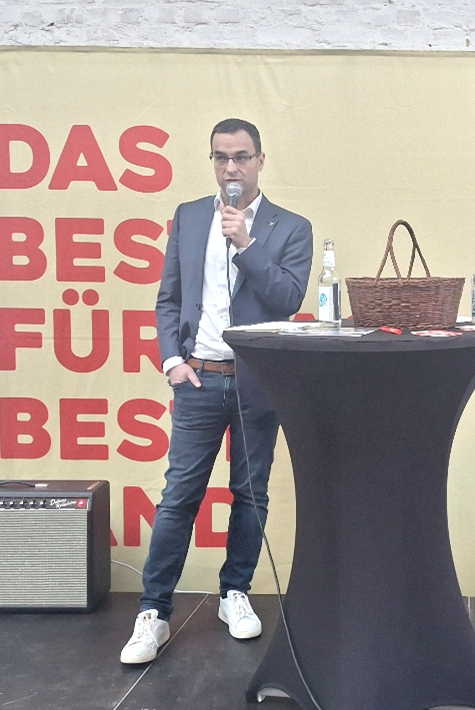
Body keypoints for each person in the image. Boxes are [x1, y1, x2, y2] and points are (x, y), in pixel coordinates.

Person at [120, 118, 313, 664]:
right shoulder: (187, 217)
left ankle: (235, 593)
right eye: (221, 157)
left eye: (242, 157)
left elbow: (287, 299)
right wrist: (172, 362)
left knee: (250, 493)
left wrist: (246, 243)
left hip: (257, 381)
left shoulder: (290, 227)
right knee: (180, 495)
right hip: (198, 379)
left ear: (260, 161)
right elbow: (168, 298)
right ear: (212, 161)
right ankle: (154, 611)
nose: (231, 168)